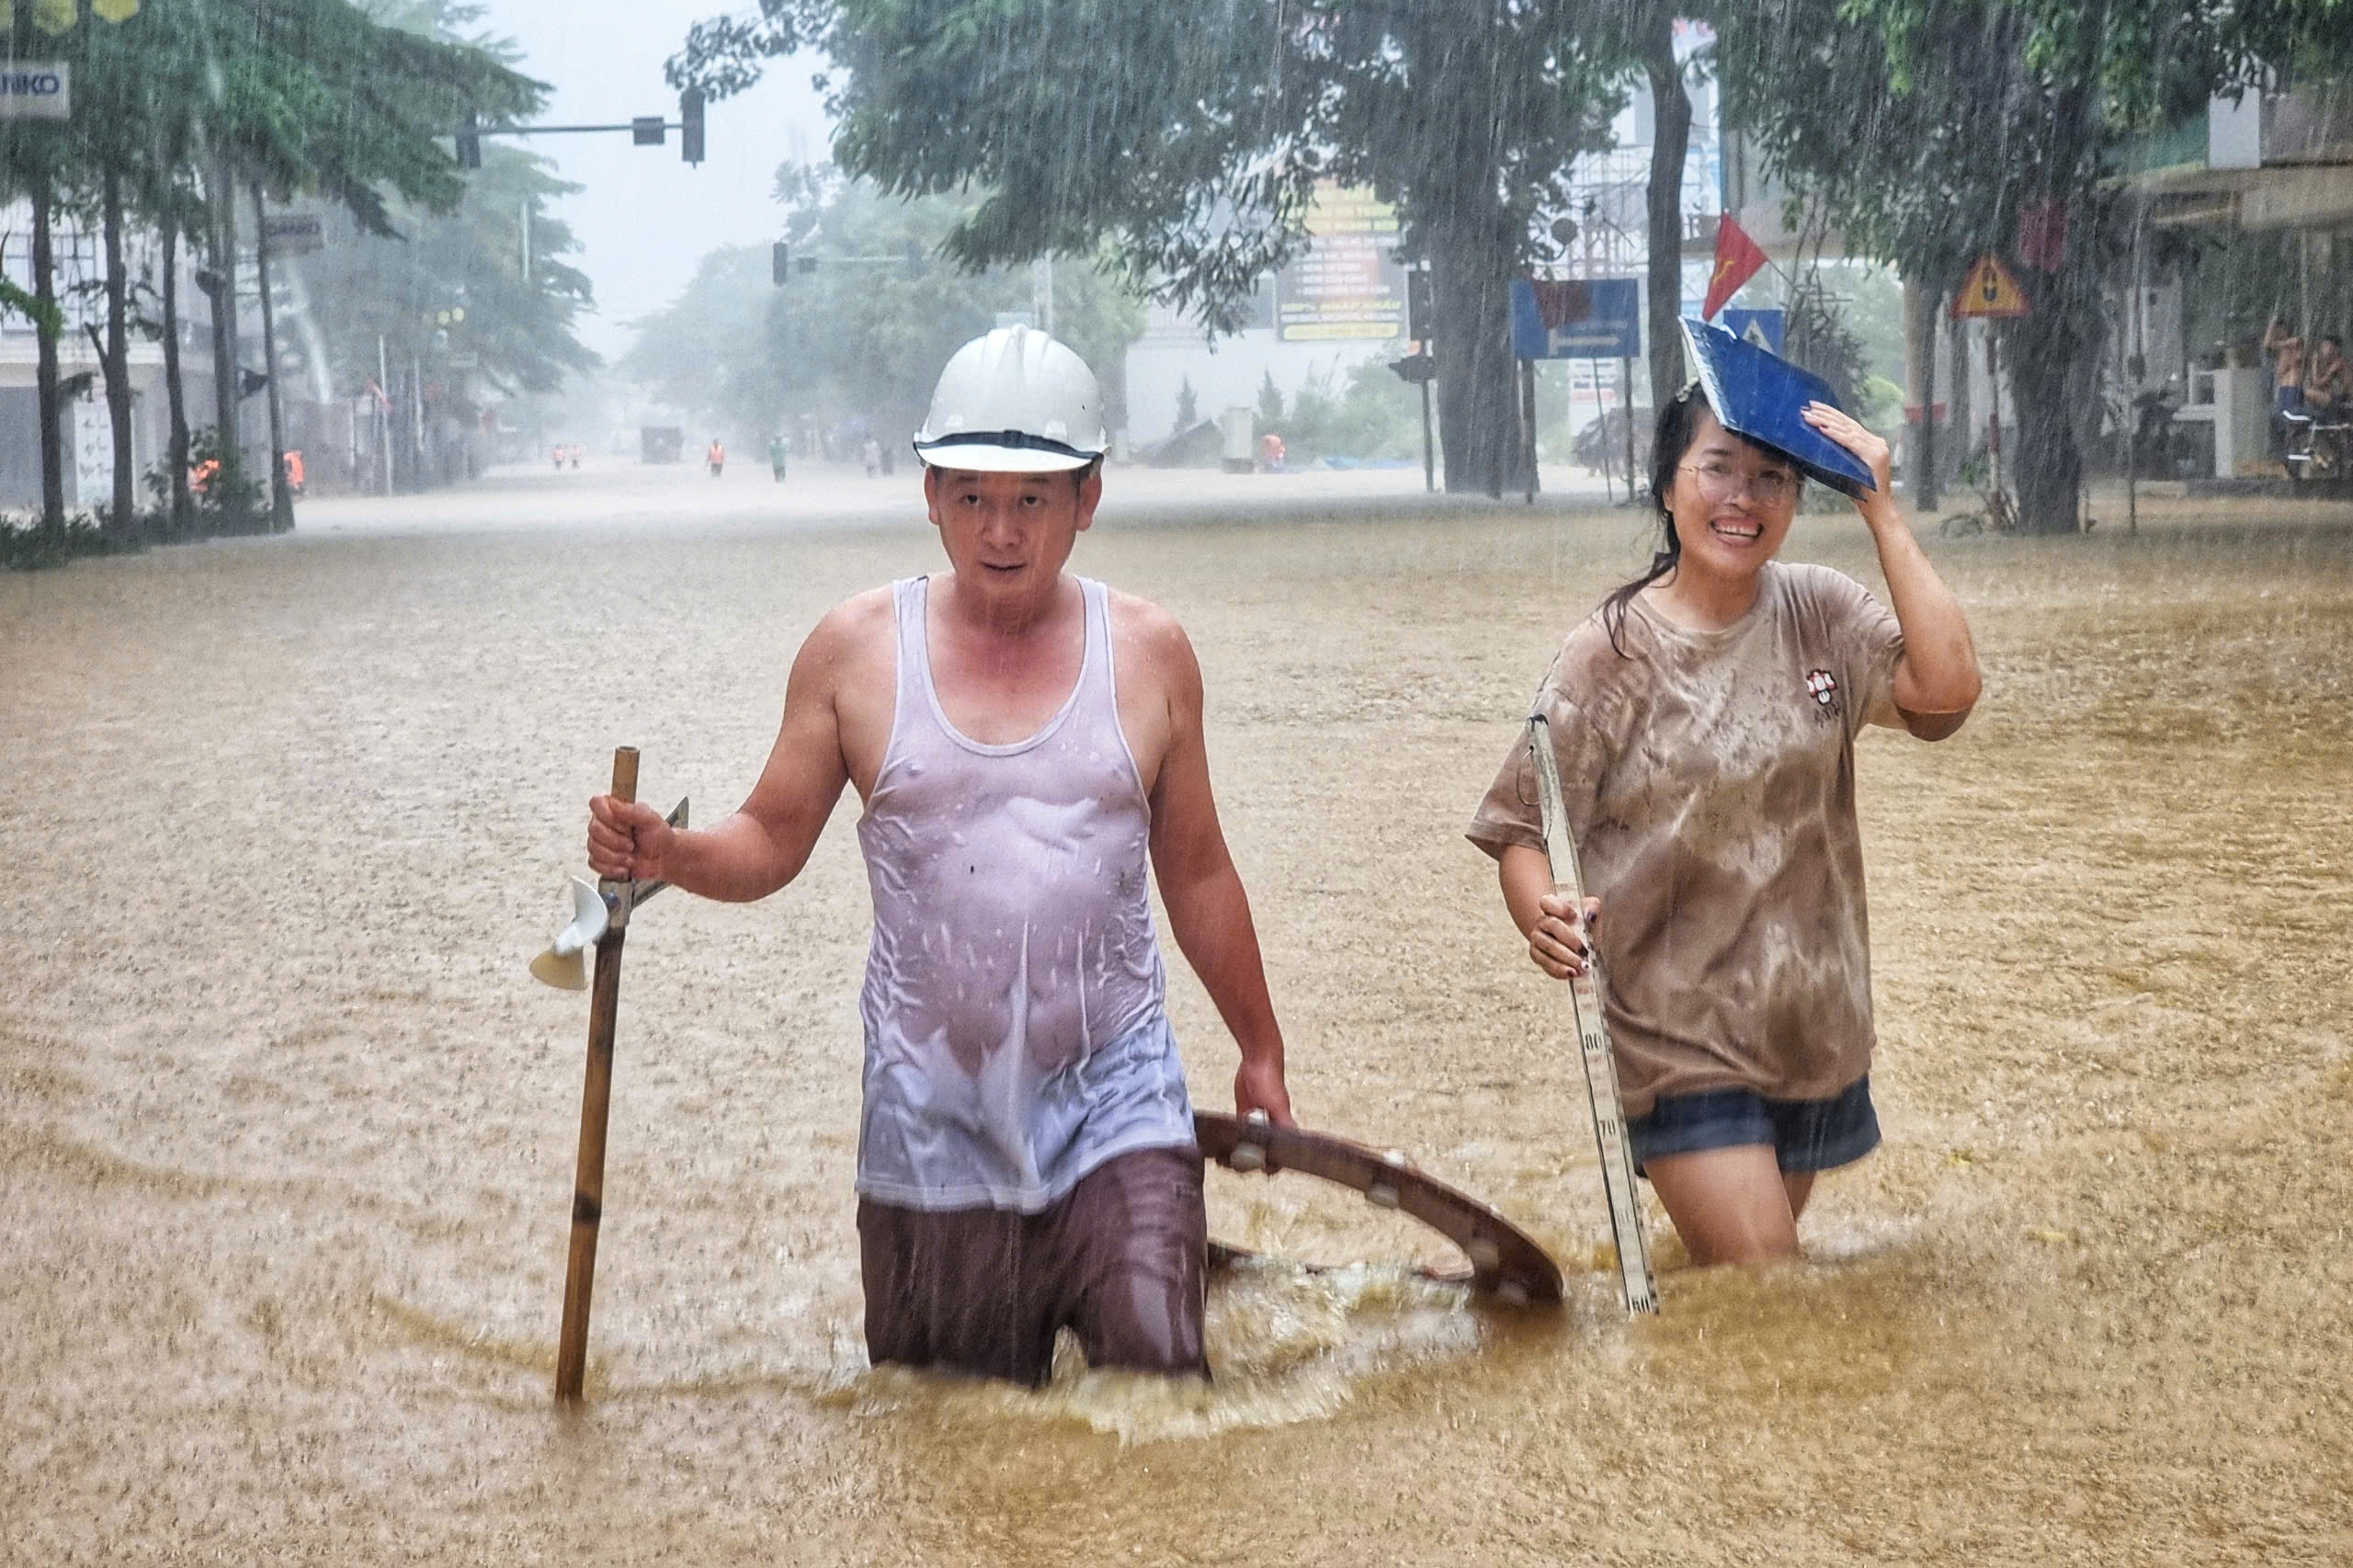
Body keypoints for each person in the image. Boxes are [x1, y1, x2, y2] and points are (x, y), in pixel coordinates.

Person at [586, 325, 1292, 1385]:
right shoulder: (856, 650)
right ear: (929, 495)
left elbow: (1195, 870)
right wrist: (671, 854)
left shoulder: (1149, 652)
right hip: (932, 1127)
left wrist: (1259, 1048)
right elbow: (771, 838)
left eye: (1030, 501)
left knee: (1163, 1386)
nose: (999, 532)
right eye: (971, 499)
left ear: (1086, 499)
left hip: (1118, 1100)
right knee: (955, 1424)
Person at [1466, 326, 1981, 1268]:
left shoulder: (1820, 612)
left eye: (1770, 479)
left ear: (1794, 497)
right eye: (1717, 469)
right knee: (1771, 1285)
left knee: (1743, 1304)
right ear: (1667, 483)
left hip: (1806, 1022)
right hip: (1675, 1033)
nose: (1742, 499)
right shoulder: (1608, 655)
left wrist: (1883, 515)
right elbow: (1521, 826)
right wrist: (1536, 910)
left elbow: (1945, 692)